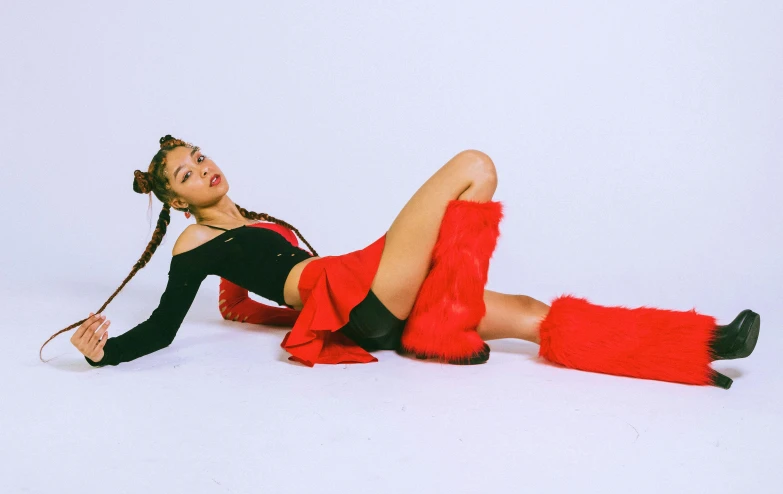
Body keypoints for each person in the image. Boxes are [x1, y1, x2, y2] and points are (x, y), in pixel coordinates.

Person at [40, 135, 760, 389]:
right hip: (351, 291)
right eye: (186, 174)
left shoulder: (264, 223)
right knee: (473, 166)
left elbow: (240, 305)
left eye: (200, 157)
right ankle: (443, 326)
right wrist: (104, 354)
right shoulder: (192, 244)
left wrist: (278, 318)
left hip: (365, 307)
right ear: (175, 200)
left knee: (532, 317)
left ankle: (698, 348)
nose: (203, 169)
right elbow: (167, 325)